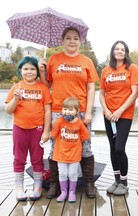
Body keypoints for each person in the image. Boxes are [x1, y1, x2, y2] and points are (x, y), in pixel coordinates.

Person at [38, 26, 99, 198]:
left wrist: (87, 112)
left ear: (80, 41)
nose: (72, 41)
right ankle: (55, 184)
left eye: (76, 38)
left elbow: (91, 87)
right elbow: (47, 85)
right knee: (55, 148)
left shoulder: (86, 61)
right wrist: (42, 71)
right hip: (58, 111)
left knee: (85, 148)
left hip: (80, 112)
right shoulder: (54, 59)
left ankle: (89, 183)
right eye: (68, 38)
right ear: (62, 41)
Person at [5, 56, 52, 201]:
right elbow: (8, 109)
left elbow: (48, 111)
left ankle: (37, 186)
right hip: (20, 128)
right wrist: (15, 98)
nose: (29, 71)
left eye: (32, 69)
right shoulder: (16, 87)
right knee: (19, 158)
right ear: (20, 71)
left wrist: (46, 131)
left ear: (37, 71)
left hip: (37, 129)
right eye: (26, 69)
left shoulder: (43, 88)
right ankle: (19, 187)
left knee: (37, 159)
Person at [99, 40, 138, 195]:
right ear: (112, 51)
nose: (119, 51)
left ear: (126, 52)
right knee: (112, 148)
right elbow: (101, 94)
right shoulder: (106, 71)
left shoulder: (132, 68)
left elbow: (135, 93)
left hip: (124, 115)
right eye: (117, 49)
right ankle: (116, 181)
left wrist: (119, 111)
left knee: (119, 148)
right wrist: (107, 110)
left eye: (122, 49)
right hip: (108, 115)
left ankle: (124, 182)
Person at [50, 97, 90, 202]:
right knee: (62, 173)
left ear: (77, 111)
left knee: (72, 173)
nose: (67, 112)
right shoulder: (59, 121)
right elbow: (53, 135)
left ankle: (72, 192)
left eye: (71, 110)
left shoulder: (79, 123)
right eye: (65, 109)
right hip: (60, 154)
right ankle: (64, 192)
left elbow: (85, 137)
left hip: (74, 154)